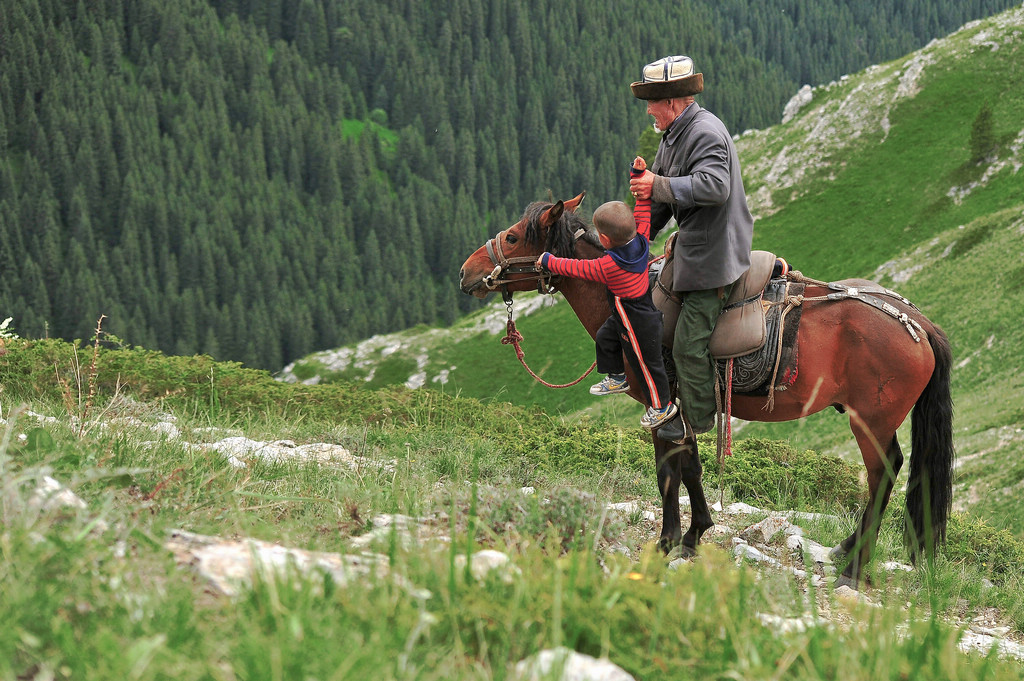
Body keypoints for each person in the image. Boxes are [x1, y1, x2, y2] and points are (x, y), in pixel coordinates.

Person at [627, 55, 754, 435]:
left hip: (714, 258)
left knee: (686, 347)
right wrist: (637, 239)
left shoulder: (704, 133)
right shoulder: (674, 135)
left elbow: (715, 187)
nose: (648, 109)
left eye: (652, 101)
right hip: (695, 247)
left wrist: (656, 185)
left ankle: (695, 427)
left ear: (671, 102)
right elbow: (666, 197)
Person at [535, 158, 677, 430]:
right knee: (604, 336)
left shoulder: (609, 266)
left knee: (647, 365)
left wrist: (548, 261)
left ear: (605, 240)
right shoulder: (643, 238)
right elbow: (643, 210)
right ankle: (617, 376)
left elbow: (576, 268)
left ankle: (662, 407)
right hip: (627, 313)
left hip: (637, 321)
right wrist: (638, 176)